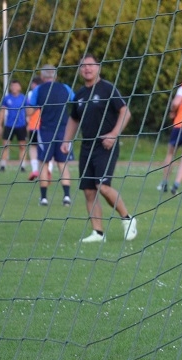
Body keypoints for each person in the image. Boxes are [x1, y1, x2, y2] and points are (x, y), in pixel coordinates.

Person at [60, 54, 137, 243]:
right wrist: (66, 141)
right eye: (83, 66)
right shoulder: (79, 94)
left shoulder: (108, 89)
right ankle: (98, 233)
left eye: (90, 65)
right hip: (87, 147)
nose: (87, 68)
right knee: (89, 191)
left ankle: (128, 219)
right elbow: (73, 119)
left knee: (103, 187)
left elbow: (125, 112)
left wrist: (113, 134)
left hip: (105, 145)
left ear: (98, 67)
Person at [27, 64, 73, 206]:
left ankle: (44, 198)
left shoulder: (38, 90)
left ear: (42, 76)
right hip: (64, 130)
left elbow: (30, 111)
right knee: (62, 164)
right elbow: (75, 102)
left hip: (46, 130)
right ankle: (66, 197)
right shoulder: (65, 88)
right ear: (55, 76)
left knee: (43, 163)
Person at [0, 79, 28, 172]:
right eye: (12, 86)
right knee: (5, 145)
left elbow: (28, 111)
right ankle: (2, 165)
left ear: (20, 87)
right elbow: (2, 111)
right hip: (9, 125)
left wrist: (28, 123)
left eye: (16, 86)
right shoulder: (7, 98)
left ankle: (23, 166)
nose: (14, 87)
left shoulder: (23, 98)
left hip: (21, 125)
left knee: (22, 146)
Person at [25, 76, 42, 181]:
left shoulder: (32, 93)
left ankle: (35, 169)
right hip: (45, 125)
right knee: (47, 148)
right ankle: (48, 170)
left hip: (34, 125)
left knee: (33, 147)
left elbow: (29, 110)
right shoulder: (47, 92)